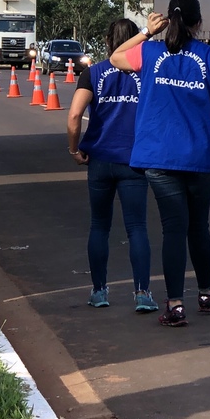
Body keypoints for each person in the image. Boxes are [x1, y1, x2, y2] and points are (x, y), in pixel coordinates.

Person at [111, 0, 210, 327]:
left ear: (168, 19)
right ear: (199, 23)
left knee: (173, 230)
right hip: (202, 156)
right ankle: (206, 293)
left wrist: (147, 32)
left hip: (159, 158)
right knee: (199, 226)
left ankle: (175, 306)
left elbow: (116, 55)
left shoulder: (149, 52)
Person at [67, 19, 158, 312]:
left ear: (108, 41)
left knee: (99, 226)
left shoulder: (93, 73)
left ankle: (99, 291)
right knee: (137, 228)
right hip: (134, 160)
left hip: (100, 159)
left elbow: (73, 116)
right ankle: (142, 293)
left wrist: (74, 149)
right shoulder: (146, 73)